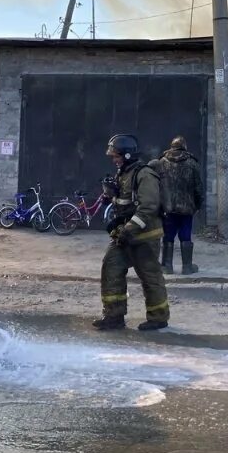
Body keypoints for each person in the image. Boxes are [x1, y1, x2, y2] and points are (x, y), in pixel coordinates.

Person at [93, 134, 170, 331]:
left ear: (127, 155)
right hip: (125, 234)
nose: (114, 159)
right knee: (110, 266)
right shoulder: (123, 173)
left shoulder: (145, 175)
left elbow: (148, 207)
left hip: (145, 235)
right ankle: (114, 316)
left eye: (116, 156)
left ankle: (158, 317)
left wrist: (127, 229)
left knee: (149, 276)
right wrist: (111, 195)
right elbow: (125, 204)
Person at [156, 135, 204, 276]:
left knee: (168, 235)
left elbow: (156, 185)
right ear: (184, 147)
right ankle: (187, 267)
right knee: (185, 235)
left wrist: (159, 205)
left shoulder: (161, 162)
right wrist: (198, 205)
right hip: (186, 208)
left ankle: (167, 266)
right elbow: (198, 188)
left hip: (168, 207)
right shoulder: (192, 163)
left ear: (172, 146)